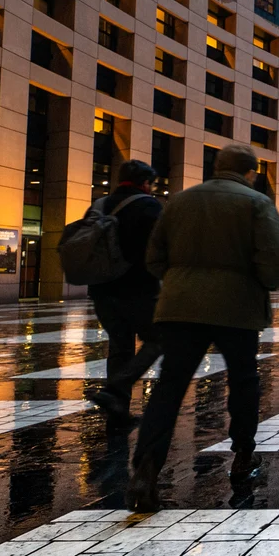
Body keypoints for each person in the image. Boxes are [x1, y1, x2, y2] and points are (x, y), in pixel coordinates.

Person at [127, 144, 279, 512]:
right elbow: (270, 259)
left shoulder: (180, 201)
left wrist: (182, 282)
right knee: (244, 381)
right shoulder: (256, 203)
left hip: (181, 307)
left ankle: (145, 470)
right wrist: (262, 283)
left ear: (217, 167)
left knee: (169, 387)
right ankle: (243, 455)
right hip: (238, 305)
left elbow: (154, 257)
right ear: (251, 172)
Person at [86, 160, 165, 425]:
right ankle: (114, 390)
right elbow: (159, 249)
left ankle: (117, 413)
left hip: (101, 290)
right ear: (145, 183)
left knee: (120, 347)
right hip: (137, 289)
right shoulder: (149, 206)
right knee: (158, 339)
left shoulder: (99, 205)